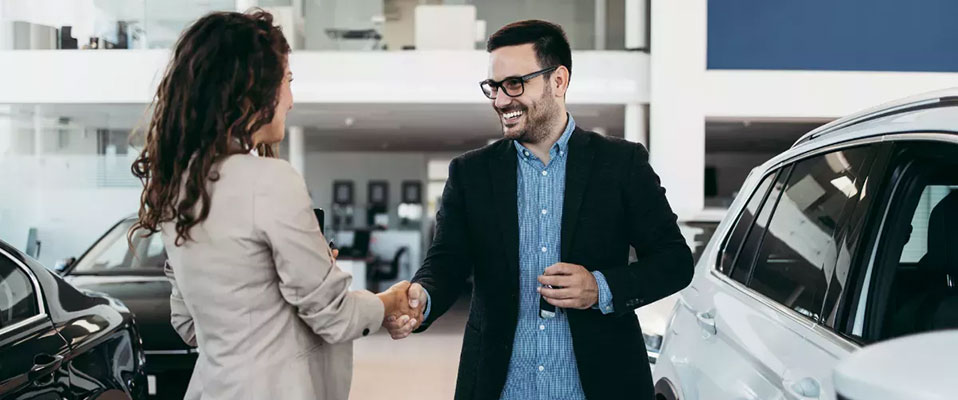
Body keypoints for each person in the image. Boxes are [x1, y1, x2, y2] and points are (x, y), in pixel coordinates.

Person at [385, 20, 694, 400]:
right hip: (500, 386)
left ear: (558, 81)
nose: (501, 101)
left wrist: (600, 287)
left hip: (602, 384)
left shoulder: (622, 163)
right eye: (494, 87)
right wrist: (421, 298)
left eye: (515, 84)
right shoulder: (470, 173)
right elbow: (446, 262)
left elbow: (675, 260)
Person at [128, 10, 417, 400]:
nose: (292, 102)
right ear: (252, 89)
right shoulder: (269, 180)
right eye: (288, 82)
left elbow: (189, 323)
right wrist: (388, 302)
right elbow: (333, 316)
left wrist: (294, 281)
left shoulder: (176, 188)